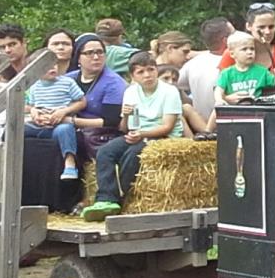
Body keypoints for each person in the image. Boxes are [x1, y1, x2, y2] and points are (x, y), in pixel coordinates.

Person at [84, 51, 181, 220]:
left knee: (132, 154)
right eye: (141, 72)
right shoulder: (130, 92)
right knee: (105, 152)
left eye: (151, 70)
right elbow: (124, 128)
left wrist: (141, 134)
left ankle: (124, 197)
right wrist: (126, 115)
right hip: (137, 133)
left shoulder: (170, 91)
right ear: (133, 76)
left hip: (161, 136)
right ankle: (106, 198)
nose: (147, 75)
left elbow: (167, 126)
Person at [23, 50, 87, 179]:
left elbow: (82, 101)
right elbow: (24, 105)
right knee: (17, 129)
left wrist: (64, 111)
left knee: (66, 129)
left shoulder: (67, 82)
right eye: (46, 66)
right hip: (38, 123)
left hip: (58, 123)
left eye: (54, 64)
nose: (52, 68)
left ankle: (70, 163)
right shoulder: (33, 86)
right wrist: (33, 111)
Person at [65, 33, 126, 161]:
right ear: (78, 58)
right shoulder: (68, 79)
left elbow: (112, 121)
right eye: (89, 53)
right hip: (70, 129)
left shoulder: (114, 83)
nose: (96, 57)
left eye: (100, 52)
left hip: (101, 134)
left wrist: (73, 122)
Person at [220, 4, 275, 91]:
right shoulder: (233, 53)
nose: (267, 32)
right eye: (261, 27)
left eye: (271, 27)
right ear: (249, 26)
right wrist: (229, 99)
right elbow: (219, 87)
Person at [180, 17, 231, 131]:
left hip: (199, 127)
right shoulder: (235, 64)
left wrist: (189, 104)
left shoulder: (194, 63)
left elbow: (173, 85)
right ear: (226, 40)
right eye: (234, 34)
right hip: (228, 125)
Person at [216, 31, 275, 107]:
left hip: (257, 111)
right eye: (244, 49)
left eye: (252, 49)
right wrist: (219, 100)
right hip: (234, 111)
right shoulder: (226, 74)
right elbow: (218, 90)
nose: (249, 52)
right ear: (232, 54)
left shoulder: (262, 72)